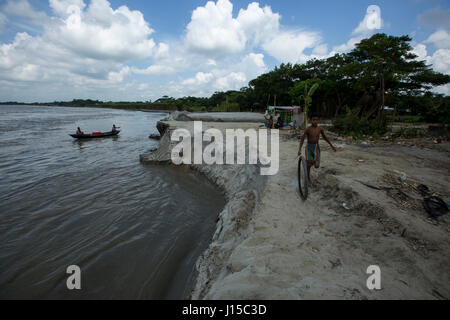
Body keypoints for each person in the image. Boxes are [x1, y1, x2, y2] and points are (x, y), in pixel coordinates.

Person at [298, 114, 337, 183]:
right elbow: (302, 139)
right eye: (313, 120)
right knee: (308, 163)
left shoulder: (320, 129)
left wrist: (331, 145)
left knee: (316, 165)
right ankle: (308, 176)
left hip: (316, 147)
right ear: (310, 121)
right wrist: (299, 149)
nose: (315, 121)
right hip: (309, 147)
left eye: (316, 120)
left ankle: (310, 162)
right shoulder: (308, 129)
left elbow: (325, 137)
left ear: (318, 120)